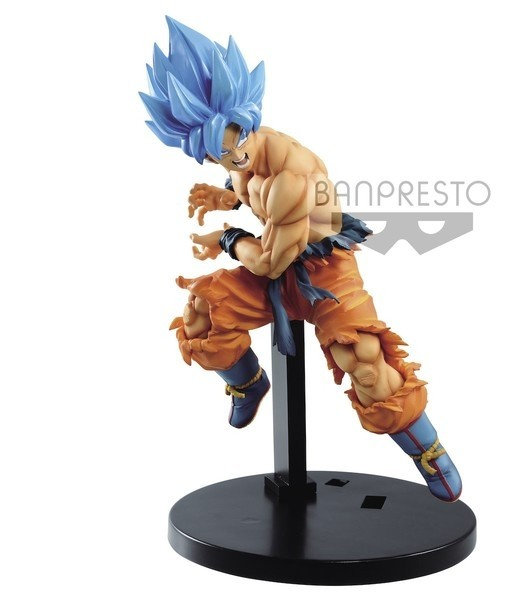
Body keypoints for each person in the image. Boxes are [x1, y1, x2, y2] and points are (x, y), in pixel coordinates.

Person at [140, 17, 462, 502]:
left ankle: (428, 451)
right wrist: (225, 198)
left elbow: (267, 263)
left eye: (232, 144)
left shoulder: (293, 175)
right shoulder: (245, 154)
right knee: (202, 313)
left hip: (324, 272)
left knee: (363, 360)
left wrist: (226, 237)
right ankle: (248, 383)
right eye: (213, 155)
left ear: (245, 116)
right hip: (274, 263)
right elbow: (246, 186)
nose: (229, 159)